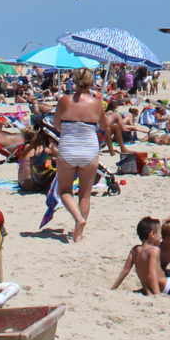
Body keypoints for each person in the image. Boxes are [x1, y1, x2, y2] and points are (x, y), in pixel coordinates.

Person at [53, 68, 106, 243]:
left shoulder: (64, 100)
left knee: (65, 191)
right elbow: (103, 126)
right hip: (89, 148)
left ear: (73, 81)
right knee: (85, 193)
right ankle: (78, 234)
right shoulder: (97, 103)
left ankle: (78, 218)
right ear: (92, 82)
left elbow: (57, 125)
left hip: (68, 146)